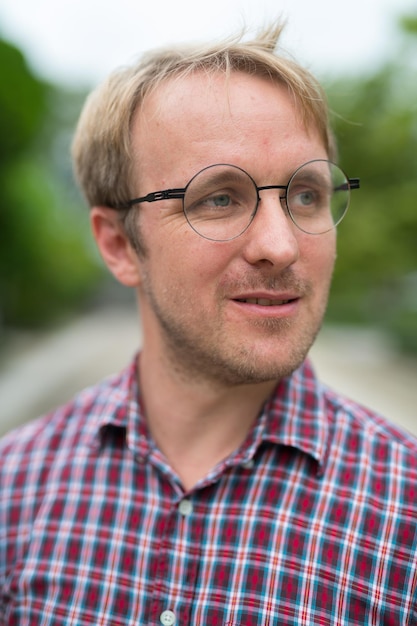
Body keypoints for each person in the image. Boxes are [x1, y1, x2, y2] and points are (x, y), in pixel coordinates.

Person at [0, 22, 416, 626]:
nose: (281, 245)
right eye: (219, 197)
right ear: (118, 244)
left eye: (304, 195)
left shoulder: (403, 518)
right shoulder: (16, 492)